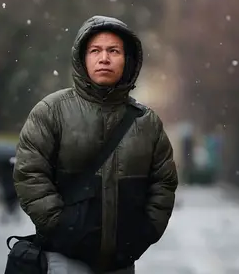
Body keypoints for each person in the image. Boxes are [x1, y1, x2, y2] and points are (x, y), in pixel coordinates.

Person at [13, 15, 178, 274]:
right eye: (95, 50)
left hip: (122, 263)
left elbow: (164, 182)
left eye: (114, 51)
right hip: (64, 259)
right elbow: (29, 173)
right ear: (82, 58)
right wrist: (62, 228)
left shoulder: (147, 122)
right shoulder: (50, 111)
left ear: (128, 59)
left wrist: (144, 233)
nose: (104, 58)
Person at [0, 156, 21, 224]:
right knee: (11, 204)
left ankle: (9, 217)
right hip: (12, 189)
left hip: (9, 189)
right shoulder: (13, 167)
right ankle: (10, 216)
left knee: (9, 204)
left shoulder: (4, 167)